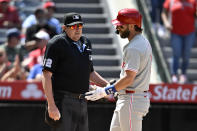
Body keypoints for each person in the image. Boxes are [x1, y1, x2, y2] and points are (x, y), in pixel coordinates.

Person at [85, 8, 152, 131]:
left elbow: (129, 78)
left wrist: (105, 91)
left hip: (131, 99)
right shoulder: (141, 42)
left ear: (132, 26)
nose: (117, 29)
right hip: (128, 98)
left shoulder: (134, 46)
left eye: (121, 26)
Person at [42, 12, 109, 131]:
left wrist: (108, 86)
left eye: (80, 26)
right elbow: (46, 75)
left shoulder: (86, 42)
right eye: (73, 26)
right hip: (63, 100)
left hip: (82, 100)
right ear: (64, 28)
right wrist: (51, 106)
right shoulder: (57, 43)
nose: (77, 29)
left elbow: (90, 72)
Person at [161, 0, 197, 84]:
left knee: (186, 54)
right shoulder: (171, 1)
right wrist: (166, 23)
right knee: (176, 53)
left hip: (189, 33)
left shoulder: (193, 1)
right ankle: (174, 74)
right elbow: (163, 13)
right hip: (175, 33)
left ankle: (183, 74)